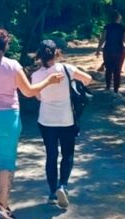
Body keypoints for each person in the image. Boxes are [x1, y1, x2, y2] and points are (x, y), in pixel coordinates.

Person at [0, 28, 63, 219]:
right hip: (8, 119)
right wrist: (49, 80)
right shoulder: (13, 66)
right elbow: (28, 92)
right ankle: (3, 205)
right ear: (6, 46)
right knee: (7, 161)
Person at [32, 40, 92, 208]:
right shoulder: (67, 69)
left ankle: (52, 193)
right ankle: (63, 185)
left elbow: (37, 96)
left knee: (51, 156)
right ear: (56, 53)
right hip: (67, 119)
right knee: (68, 154)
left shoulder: (36, 76)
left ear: (39, 55)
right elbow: (88, 79)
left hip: (46, 120)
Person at [95, 11, 125, 94]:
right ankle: (116, 89)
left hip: (108, 49)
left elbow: (103, 38)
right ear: (118, 18)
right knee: (118, 69)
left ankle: (108, 86)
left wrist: (98, 49)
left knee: (108, 68)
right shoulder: (122, 27)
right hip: (119, 50)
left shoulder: (107, 27)